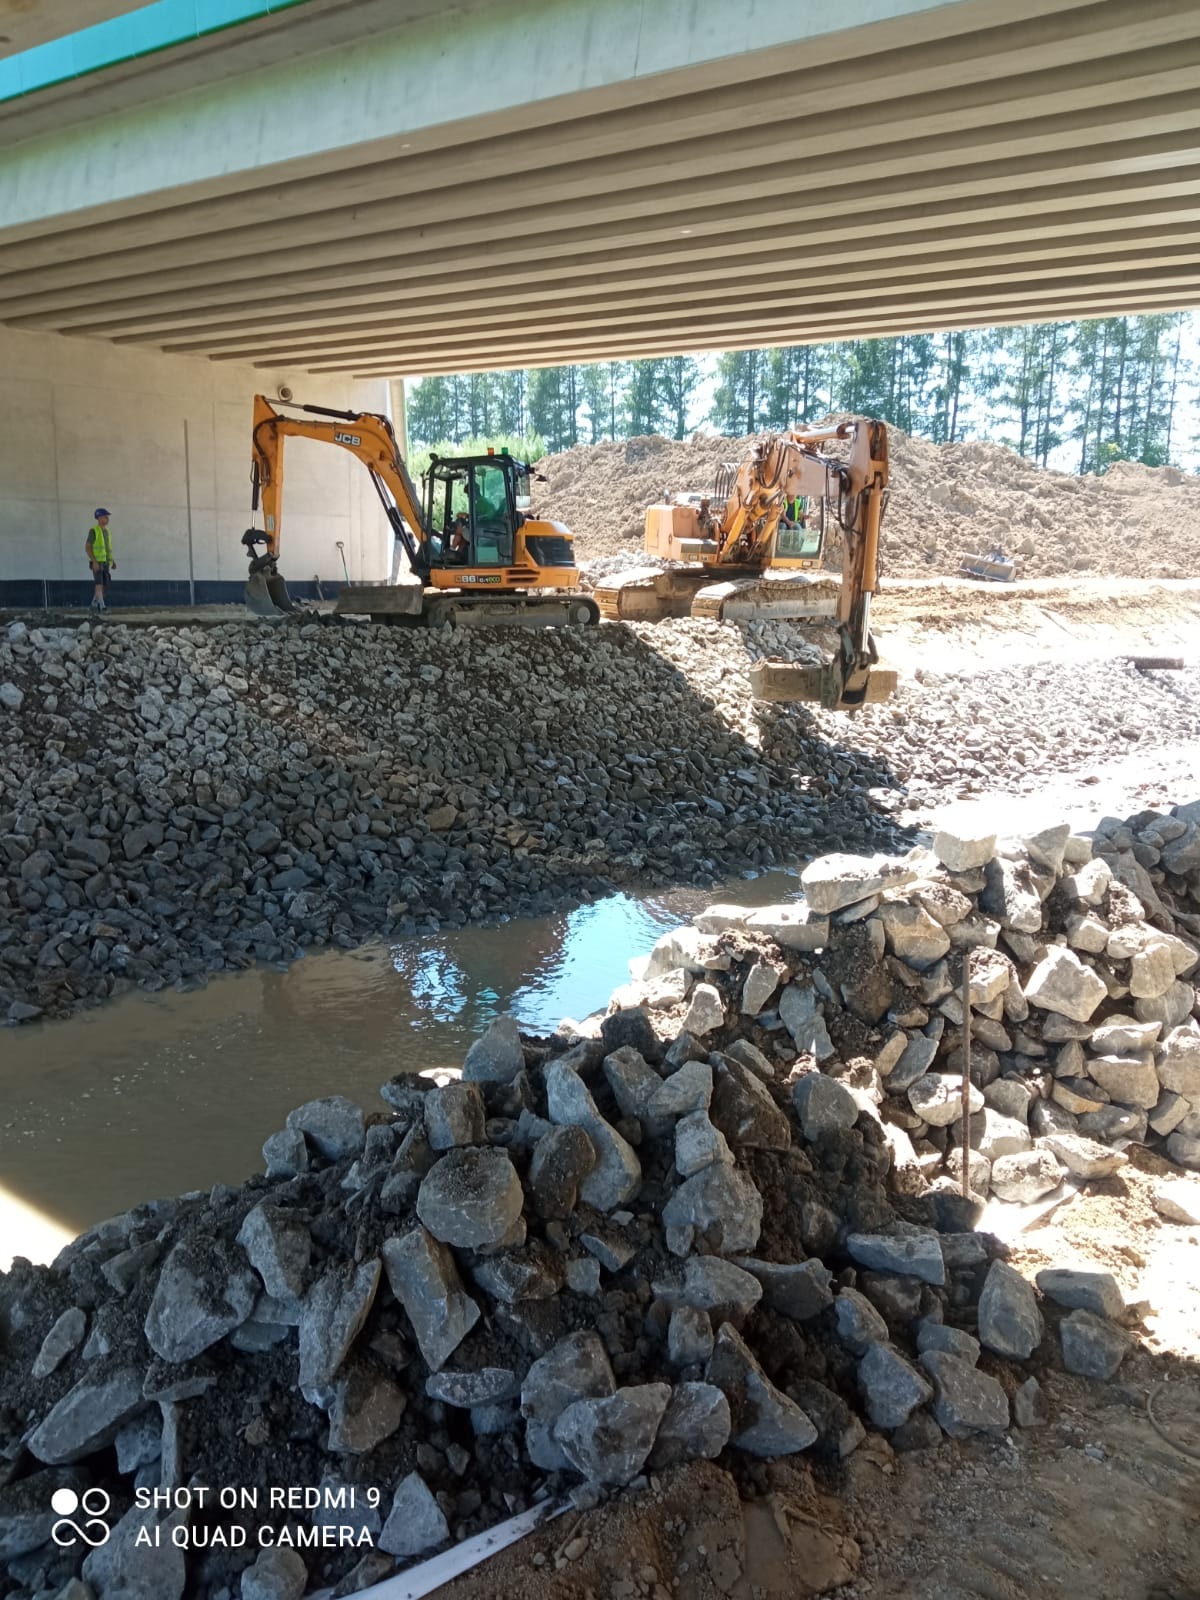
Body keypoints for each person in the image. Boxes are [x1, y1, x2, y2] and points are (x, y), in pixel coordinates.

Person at [86, 509, 115, 611]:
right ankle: (102, 607)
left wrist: (112, 561)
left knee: (104, 586)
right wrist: (94, 561)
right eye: (105, 516)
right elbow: (88, 547)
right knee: (99, 585)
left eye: (107, 517)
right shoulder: (94, 531)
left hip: (106, 562)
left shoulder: (107, 532)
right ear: (99, 518)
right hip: (97, 562)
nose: (107, 519)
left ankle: (94, 604)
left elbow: (108, 548)